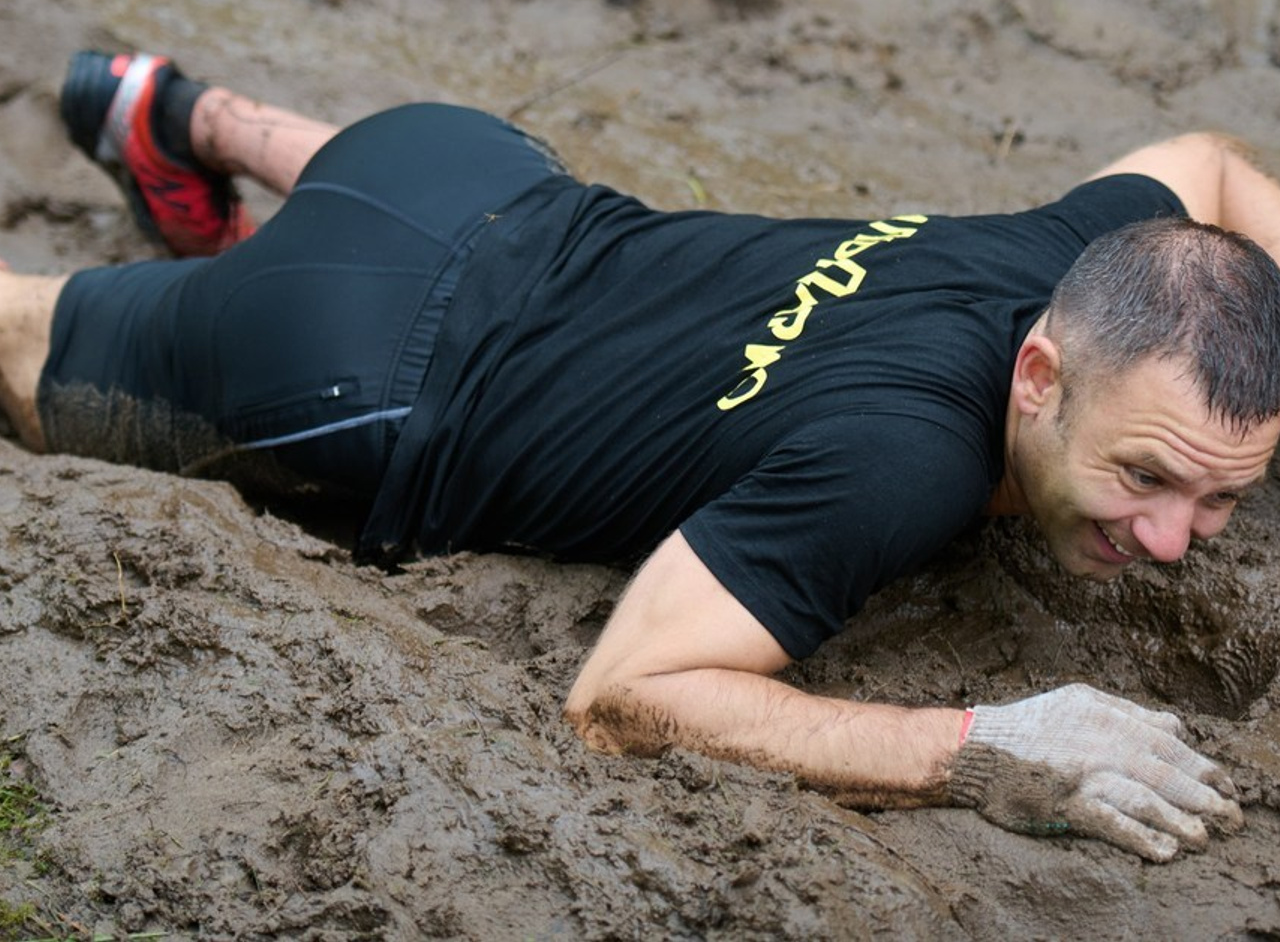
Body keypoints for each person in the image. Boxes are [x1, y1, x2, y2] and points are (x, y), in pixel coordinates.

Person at [4, 49, 1280, 865]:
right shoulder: (894, 458)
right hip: (348, 363)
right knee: (22, 339)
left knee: (387, 184)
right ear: (1040, 377)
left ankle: (183, 116)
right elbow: (623, 692)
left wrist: (1183, 454)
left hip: (455, 165)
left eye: (1221, 496)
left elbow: (1207, 166)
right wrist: (983, 749)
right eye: (1144, 477)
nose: (1167, 539)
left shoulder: (1075, 250)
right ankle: (176, 204)